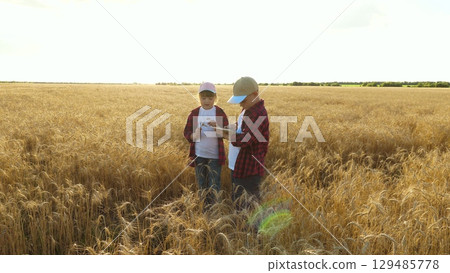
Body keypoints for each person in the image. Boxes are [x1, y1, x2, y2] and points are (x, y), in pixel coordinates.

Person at [220, 76, 269, 208]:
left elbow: (246, 139)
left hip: (248, 170)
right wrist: (224, 127)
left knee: (247, 207)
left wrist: (226, 135)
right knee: (238, 202)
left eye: (243, 100)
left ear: (255, 94)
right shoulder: (248, 109)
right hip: (238, 166)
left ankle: (249, 229)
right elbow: (241, 127)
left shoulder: (258, 113)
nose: (240, 104)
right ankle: (241, 227)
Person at [183, 82, 229, 204]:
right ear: (199, 98)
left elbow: (227, 133)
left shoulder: (219, 112)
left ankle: (214, 209)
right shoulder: (195, 113)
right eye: (203, 98)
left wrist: (218, 128)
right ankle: (203, 208)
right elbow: (187, 133)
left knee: (214, 185)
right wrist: (194, 135)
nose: (207, 101)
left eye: (210, 98)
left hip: (215, 156)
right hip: (199, 156)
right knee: (201, 185)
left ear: (215, 97)